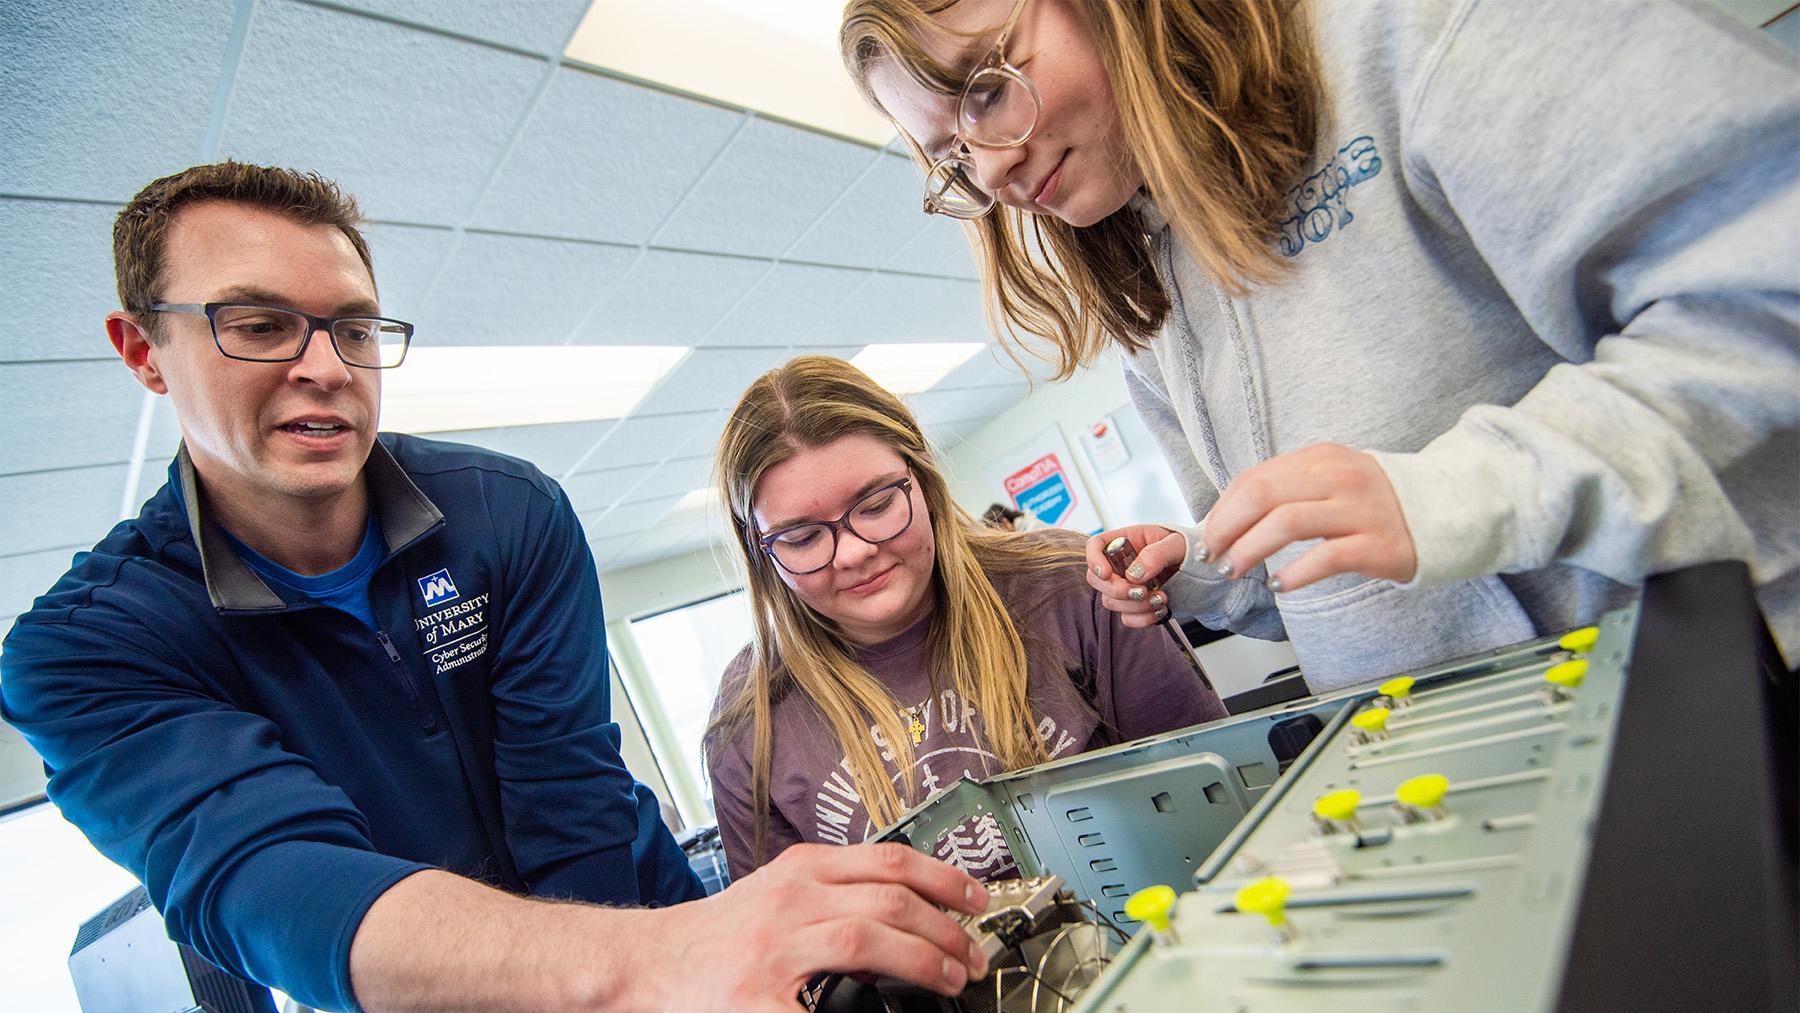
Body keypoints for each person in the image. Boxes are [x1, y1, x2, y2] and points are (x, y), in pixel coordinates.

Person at [0, 163, 993, 1012]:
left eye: (352, 327)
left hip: (652, 936)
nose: (323, 366)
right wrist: (655, 966)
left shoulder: (506, 516)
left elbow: (569, 808)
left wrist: (676, 964)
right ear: (143, 351)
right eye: (259, 324)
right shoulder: (85, 651)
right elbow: (282, 885)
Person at [839, 0, 1800, 690]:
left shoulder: (1407, 31)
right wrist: (1206, 563)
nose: (993, 166)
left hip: (1706, 698)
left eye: (983, 91)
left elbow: (1765, 285)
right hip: (1472, 764)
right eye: (952, 155)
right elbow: (1310, 568)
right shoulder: (1152, 272)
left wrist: (1453, 493)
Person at [704, 356, 1226, 881]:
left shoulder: (1071, 586)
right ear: (761, 552)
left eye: (877, 504)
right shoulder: (750, 721)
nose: (854, 552)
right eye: (802, 538)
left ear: (924, 484)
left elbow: (1218, 798)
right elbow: (796, 939)